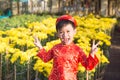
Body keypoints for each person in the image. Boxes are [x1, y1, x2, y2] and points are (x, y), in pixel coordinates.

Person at [34, 15, 99, 80]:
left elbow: (88, 65)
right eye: (61, 32)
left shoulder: (77, 50)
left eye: (68, 31)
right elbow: (46, 58)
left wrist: (92, 54)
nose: (65, 35)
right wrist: (40, 47)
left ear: (74, 32)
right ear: (57, 34)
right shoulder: (55, 48)